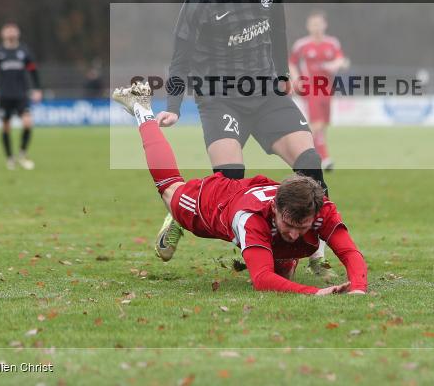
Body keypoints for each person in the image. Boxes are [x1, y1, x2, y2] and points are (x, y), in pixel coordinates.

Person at [154, 0, 335, 278]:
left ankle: (315, 246)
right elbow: (180, 57)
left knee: (310, 163)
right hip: (219, 97)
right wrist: (173, 106)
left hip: (265, 91)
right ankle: (179, 212)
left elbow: (279, 27)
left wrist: (283, 75)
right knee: (231, 181)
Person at [114, 82, 367, 294]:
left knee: (286, 269)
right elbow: (262, 280)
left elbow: (350, 253)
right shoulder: (251, 218)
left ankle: (284, 256)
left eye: (300, 227)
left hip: (256, 194)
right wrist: (317, 292)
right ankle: (142, 109)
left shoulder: (322, 210)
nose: (292, 233)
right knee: (170, 187)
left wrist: (358, 289)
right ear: (275, 208)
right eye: (288, 225)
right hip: (218, 202)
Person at [289, 11, 350, 171]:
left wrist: (336, 64)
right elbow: (292, 62)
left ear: (325, 25)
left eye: (319, 24)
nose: (316, 27)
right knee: (316, 125)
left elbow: (341, 60)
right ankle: (323, 158)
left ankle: (311, 155)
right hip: (311, 88)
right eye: (313, 24)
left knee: (322, 125)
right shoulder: (301, 45)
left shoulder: (332, 43)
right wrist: (296, 79)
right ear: (308, 26)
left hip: (327, 88)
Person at [0, 23, 42, 170]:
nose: (11, 33)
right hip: (4, 95)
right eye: (8, 30)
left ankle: (22, 152)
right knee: (6, 127)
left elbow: (33, 70)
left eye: (13, 30)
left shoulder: (24, 51)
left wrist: (37, 89)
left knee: (28, 123)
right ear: (2, 33)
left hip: (21, 94)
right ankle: (10, 157)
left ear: (18, 32)